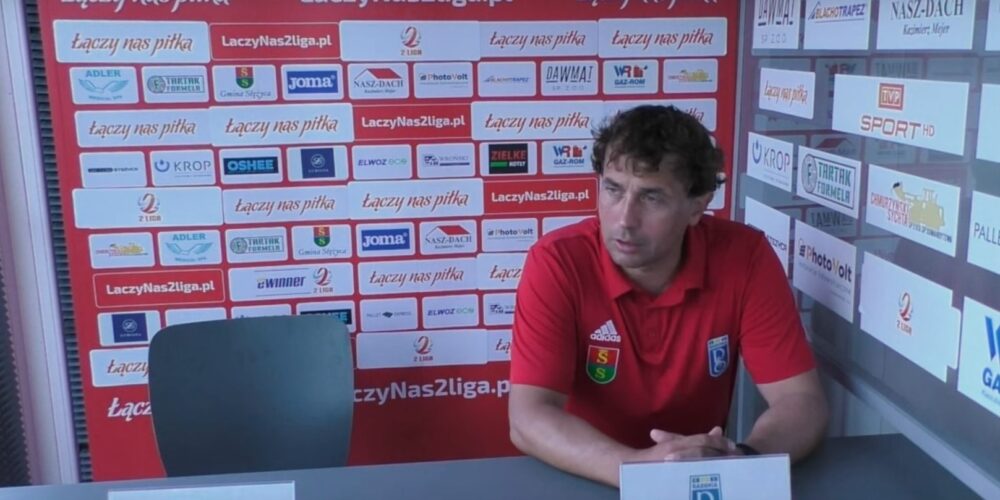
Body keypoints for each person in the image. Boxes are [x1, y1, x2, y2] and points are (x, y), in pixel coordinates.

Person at [508, 105, 828, 487]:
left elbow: (801, 400)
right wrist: (637, 468)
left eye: (652, 198)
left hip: (701, 483)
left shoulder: (745, 257)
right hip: (588, 477)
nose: (624, 219)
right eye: (613, 189)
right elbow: (528, 417)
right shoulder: (557, 261)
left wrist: (744, 459)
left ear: (697, 206)